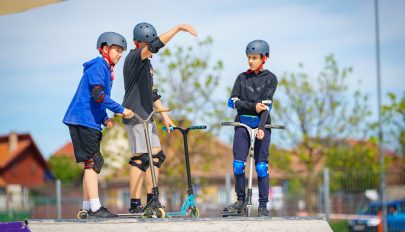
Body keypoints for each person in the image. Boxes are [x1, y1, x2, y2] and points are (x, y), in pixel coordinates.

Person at [122, 22, 197, 213]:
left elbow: (152, 94)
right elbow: (155, 45)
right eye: (146, 45)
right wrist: (178, 29)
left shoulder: (147, 65)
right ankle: (134, 204)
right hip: (136, 115)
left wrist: (166, 117)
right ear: (137, 43)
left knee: (156, 156)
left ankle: (152, 199)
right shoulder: (134, 58)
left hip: (148, 116)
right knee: (141, 158)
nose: (150, 49)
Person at [63, 32, 134, 218]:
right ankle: (95, 208)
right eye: (117, 50)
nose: (120, 54)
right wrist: (120, 109)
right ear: (104, 49)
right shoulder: (99, 66)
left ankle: (87, 207)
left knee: (91, 163)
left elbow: (98, 100)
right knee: (94, 162)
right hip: (83, 119)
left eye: (122, 51)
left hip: (88, 120)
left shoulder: (105, 69)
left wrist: (104, 118)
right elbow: (98, 95)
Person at [224, 39, 278, 217]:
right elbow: (232, 102)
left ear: (265, 58)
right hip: (242, 124)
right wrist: (252, 107)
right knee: (238, 164)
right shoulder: (241, 78)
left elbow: (266, 106)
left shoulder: (270, 79)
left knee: (261, 167)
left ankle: (263, 205)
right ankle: (240, 200)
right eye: (249, 57)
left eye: (254, 57)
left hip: (263, 125)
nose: (250, 61)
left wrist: (262, 127)